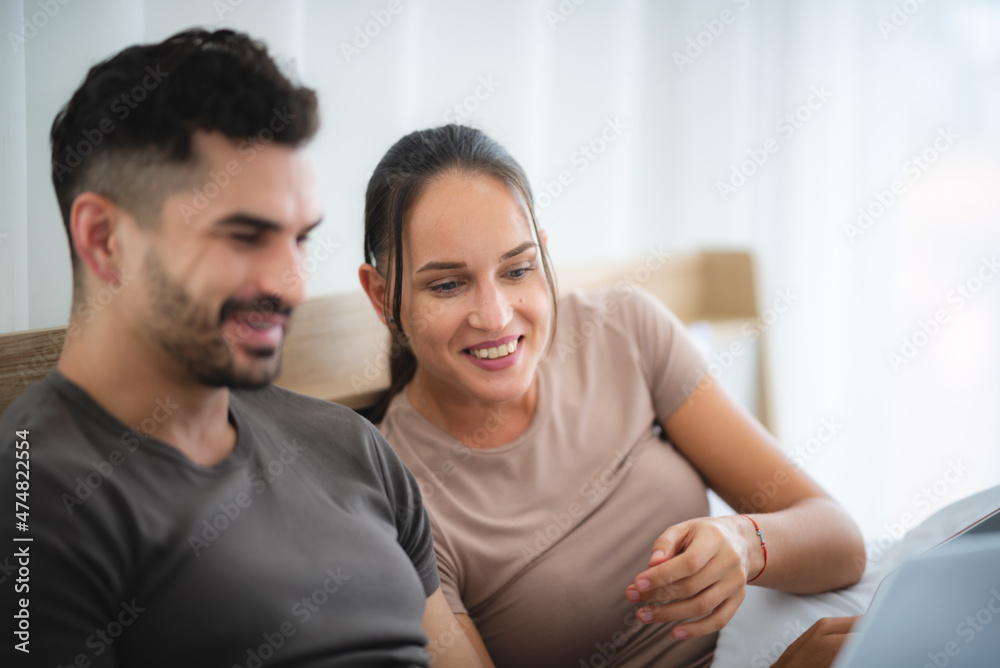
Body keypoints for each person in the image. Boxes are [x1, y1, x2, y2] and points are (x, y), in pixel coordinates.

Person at [0, 30, 482, 668]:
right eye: (245, 235)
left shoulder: (351, 445)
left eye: (299, 238)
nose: (292, 285)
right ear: (105, 239)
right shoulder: (31, 492)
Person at [358, 124, 866, 667]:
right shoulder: (395, 503)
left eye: (518, 269)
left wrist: (747, 543)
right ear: (383, 296)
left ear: (544, 258)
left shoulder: (622, 329)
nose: (497, 315)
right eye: (448, 285)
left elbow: (840, 543)